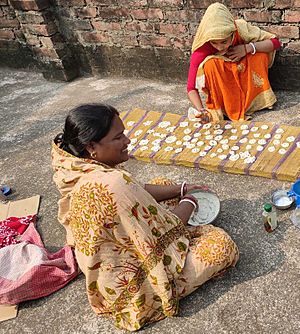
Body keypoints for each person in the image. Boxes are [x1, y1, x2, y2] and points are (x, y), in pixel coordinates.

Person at [52, 103, 239, 331]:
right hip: (130, 287)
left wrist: (181, 189)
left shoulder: (73, 164)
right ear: (92, 146)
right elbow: (166, 232)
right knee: (220, 246)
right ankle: (155, 295)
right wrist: (190, 202)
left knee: (163, 185)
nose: (127, 141)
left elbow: (137, 191)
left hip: (106, 260)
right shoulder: (112, 184)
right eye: (118, 137)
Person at [187, 2, 281, 123]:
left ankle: (252, 102)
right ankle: (227, 106)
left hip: (242, 70)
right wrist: (201, 111)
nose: (220, 47)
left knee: (260, 55)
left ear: (233, 32)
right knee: (210, 65)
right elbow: (191, 88)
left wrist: (247, 48)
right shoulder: (202, 47)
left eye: (224, 42)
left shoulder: (240, 29)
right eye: (214, 43)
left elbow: (275, 43)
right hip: (224, 82)